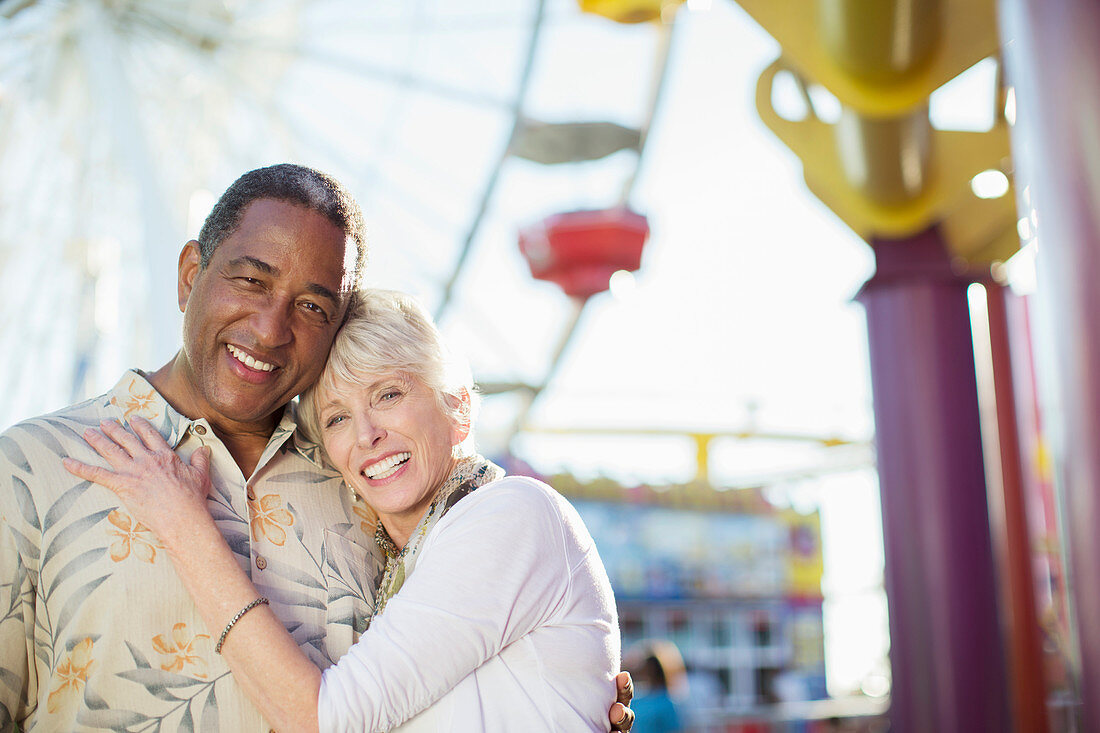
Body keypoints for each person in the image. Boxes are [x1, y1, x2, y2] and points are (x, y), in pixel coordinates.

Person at [0, 164, 633, 731]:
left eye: (310, 306)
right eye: (251, 281)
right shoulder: (31, 471)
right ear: (191, 274)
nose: (272, 328)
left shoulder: (365, 488)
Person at [65, 288, 622, 731]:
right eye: (335, 418)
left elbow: (320, 720)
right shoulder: (403, 569)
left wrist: (185, 528)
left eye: (389, 394)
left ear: (458, 409)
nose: (367, 435)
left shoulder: (511, 516)